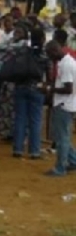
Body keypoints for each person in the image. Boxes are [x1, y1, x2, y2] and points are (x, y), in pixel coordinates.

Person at [11, 28, 51, 159]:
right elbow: (49, 75)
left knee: (20, 119)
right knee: (35, 120)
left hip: (20, 87)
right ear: (43, 39)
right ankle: (34, 151)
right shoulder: (45, 55)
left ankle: (18, 149)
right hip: (37, 89)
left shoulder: (22, 51)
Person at [44, 40, 76, 176]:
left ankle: (60, 168)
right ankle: (73, 161)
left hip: (64, 104)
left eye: (49, 54)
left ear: (54, 51)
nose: (49, 58)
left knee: (62, 138)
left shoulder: (66, 65)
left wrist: (50, 89)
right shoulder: (66, 62)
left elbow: (68, 89)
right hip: (67, 103)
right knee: (62, 136)